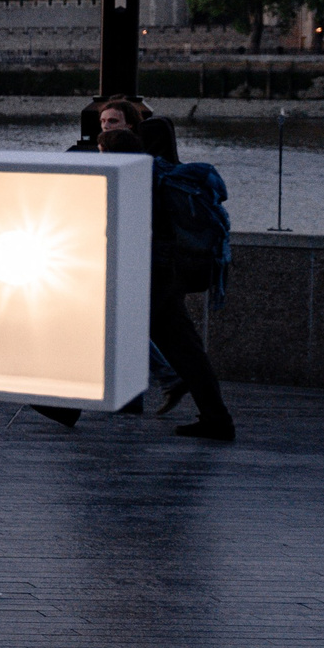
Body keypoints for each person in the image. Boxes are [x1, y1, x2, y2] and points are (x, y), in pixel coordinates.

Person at [117, 123, 236, 441]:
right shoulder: (175, 173)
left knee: (111, 326)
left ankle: (64, 405)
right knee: (187, 348)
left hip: (157, 274)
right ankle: (216, 418)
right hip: (175, 274)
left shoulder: (150, 176)